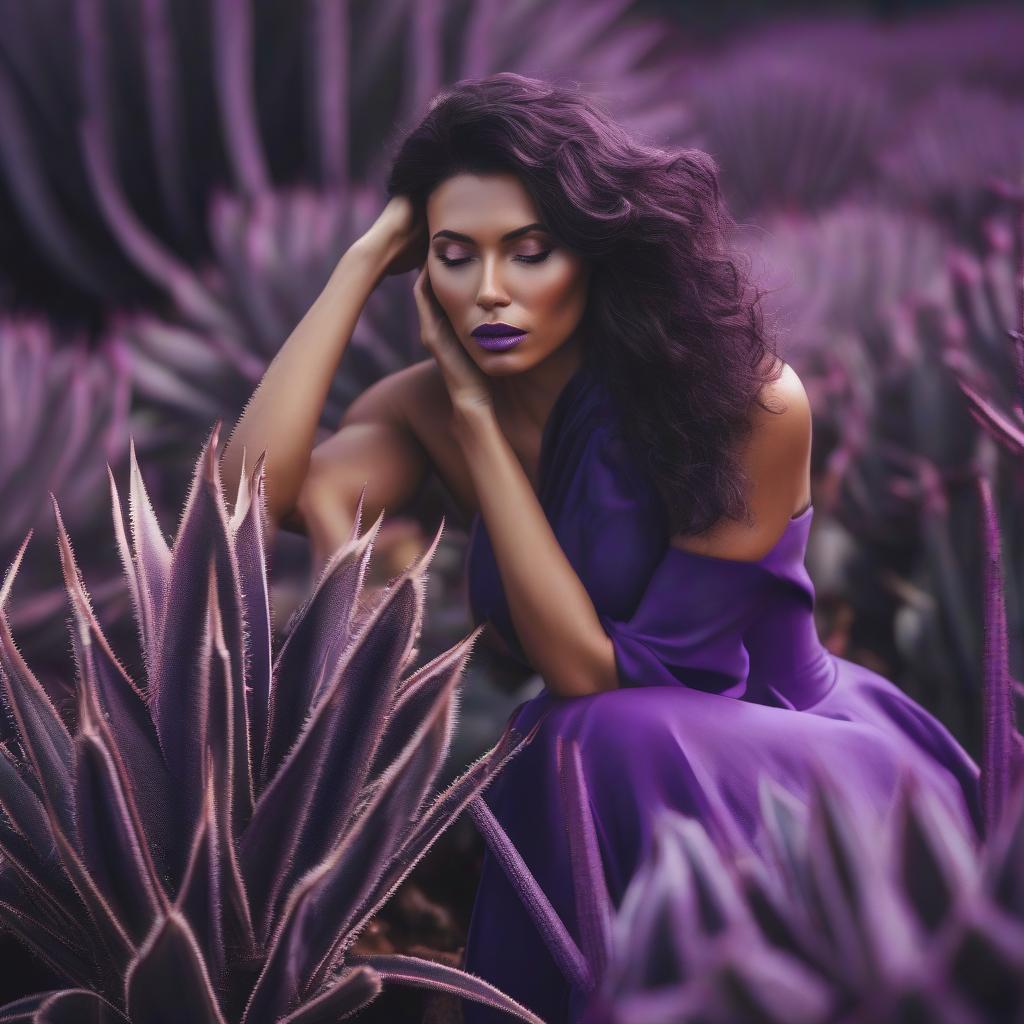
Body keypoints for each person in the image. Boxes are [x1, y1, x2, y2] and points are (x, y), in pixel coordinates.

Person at [221, 73, 981, 1023]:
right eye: (455, 256)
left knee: (565, 733)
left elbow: (603, 676)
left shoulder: (748, 403)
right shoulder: (431, 402)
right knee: (567, 741)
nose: (489, 291)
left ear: (591, 252)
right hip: (607, 753)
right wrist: (359, 262)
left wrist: (476, 425)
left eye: (529, 253)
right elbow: (245, 501)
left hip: (792, 768)